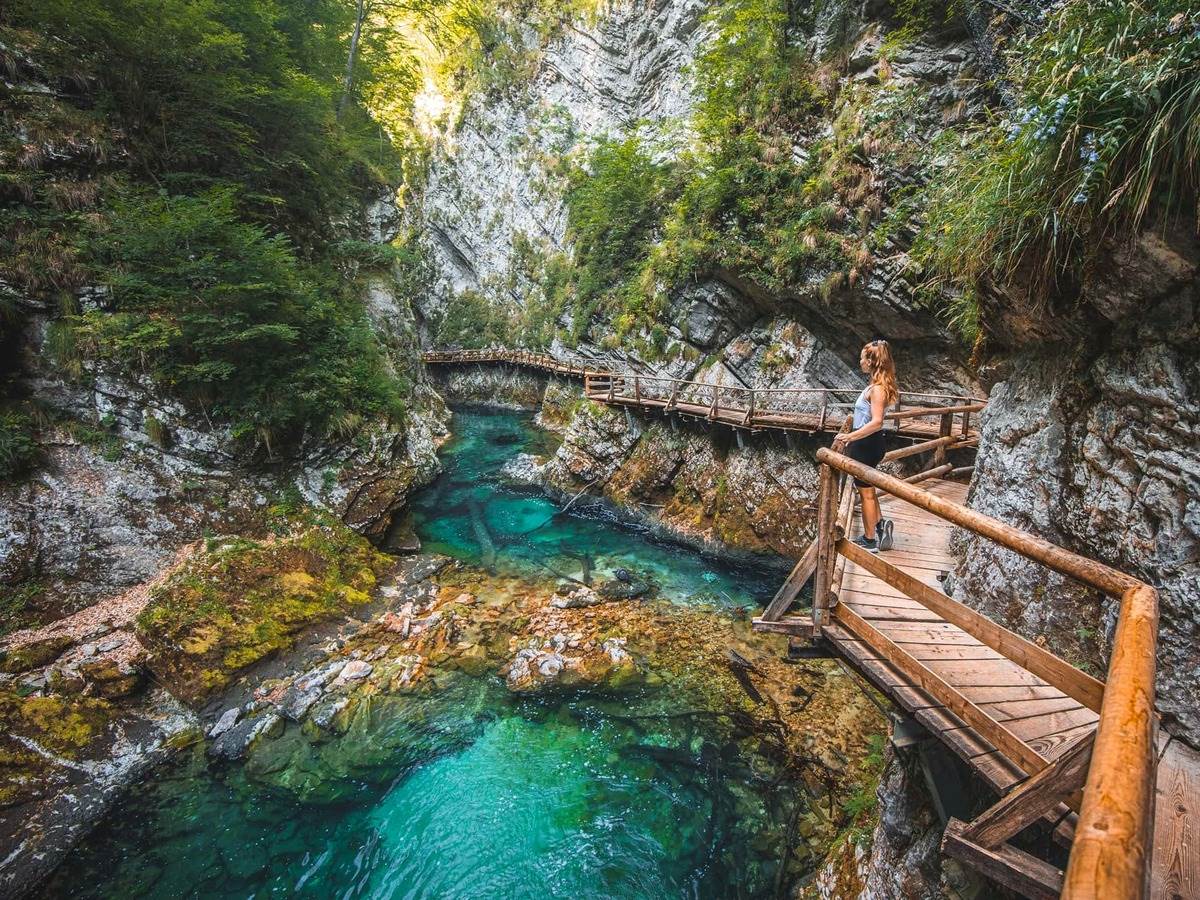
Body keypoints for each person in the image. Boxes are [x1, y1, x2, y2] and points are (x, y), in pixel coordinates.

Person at [831, 340, 898, 552]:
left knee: (866, 493)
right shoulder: (876, 386)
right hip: (869, 442)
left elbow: (877, 421)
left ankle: (870, 541)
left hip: (867, 444)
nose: (860, 361)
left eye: (863, 357)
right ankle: (879, 526)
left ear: (872, 361)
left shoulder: (878, 390)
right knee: (868, 489)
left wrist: (850, 437)